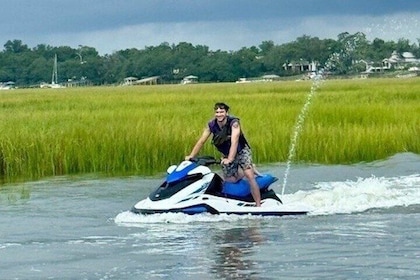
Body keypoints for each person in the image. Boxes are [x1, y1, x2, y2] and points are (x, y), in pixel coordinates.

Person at [185, 102, 261, 206]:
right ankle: (246, 170)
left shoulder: (234, 123)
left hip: (241, 150)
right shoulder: (211, 125)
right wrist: (191, 156)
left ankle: (258, 205)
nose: (219, 114)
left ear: (226, 113)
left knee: (249, 175)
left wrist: (230, 159)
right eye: (217, 112)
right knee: (230, 180)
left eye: (221, 112)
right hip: (227, 153)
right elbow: (201, 141)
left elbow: (234, 141)